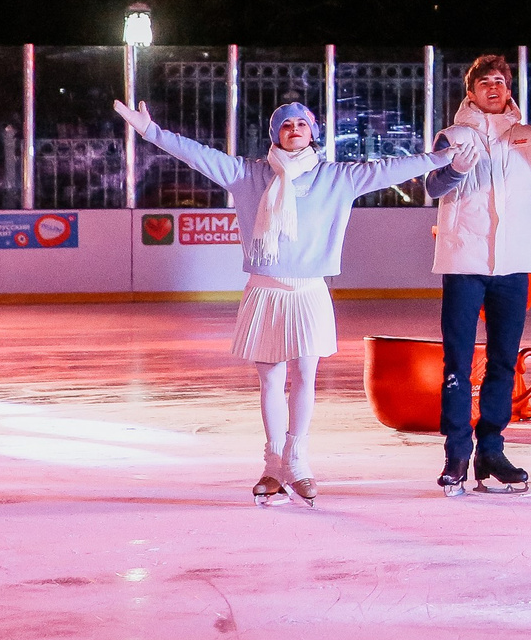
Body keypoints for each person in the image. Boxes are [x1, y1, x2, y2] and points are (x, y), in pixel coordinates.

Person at [109, 97, 453, 505]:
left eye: (302, 124)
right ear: (275, 134)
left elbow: (391, 168)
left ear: (313, 132)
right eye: (286, 124)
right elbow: (197, 155)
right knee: (271, 379)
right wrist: (151, 131)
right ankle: (273, 465)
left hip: (309, 290)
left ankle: (298, 460)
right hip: (265, 289)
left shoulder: (336, 177)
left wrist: (442, 157)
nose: (294, 129)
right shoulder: (248, 175)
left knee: (305, 377)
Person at [426, 54, 531, 495]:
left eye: (501, 80)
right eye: (485, 82)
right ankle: (456, 453)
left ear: (509, 88)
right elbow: (432, 187)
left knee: (503, 360)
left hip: (513, 263)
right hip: (464, 261)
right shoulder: (453, 135)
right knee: (457, 361)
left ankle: (491, 450)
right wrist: (454, 169)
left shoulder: (527, 137)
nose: (494, 87)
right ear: (471, 91)